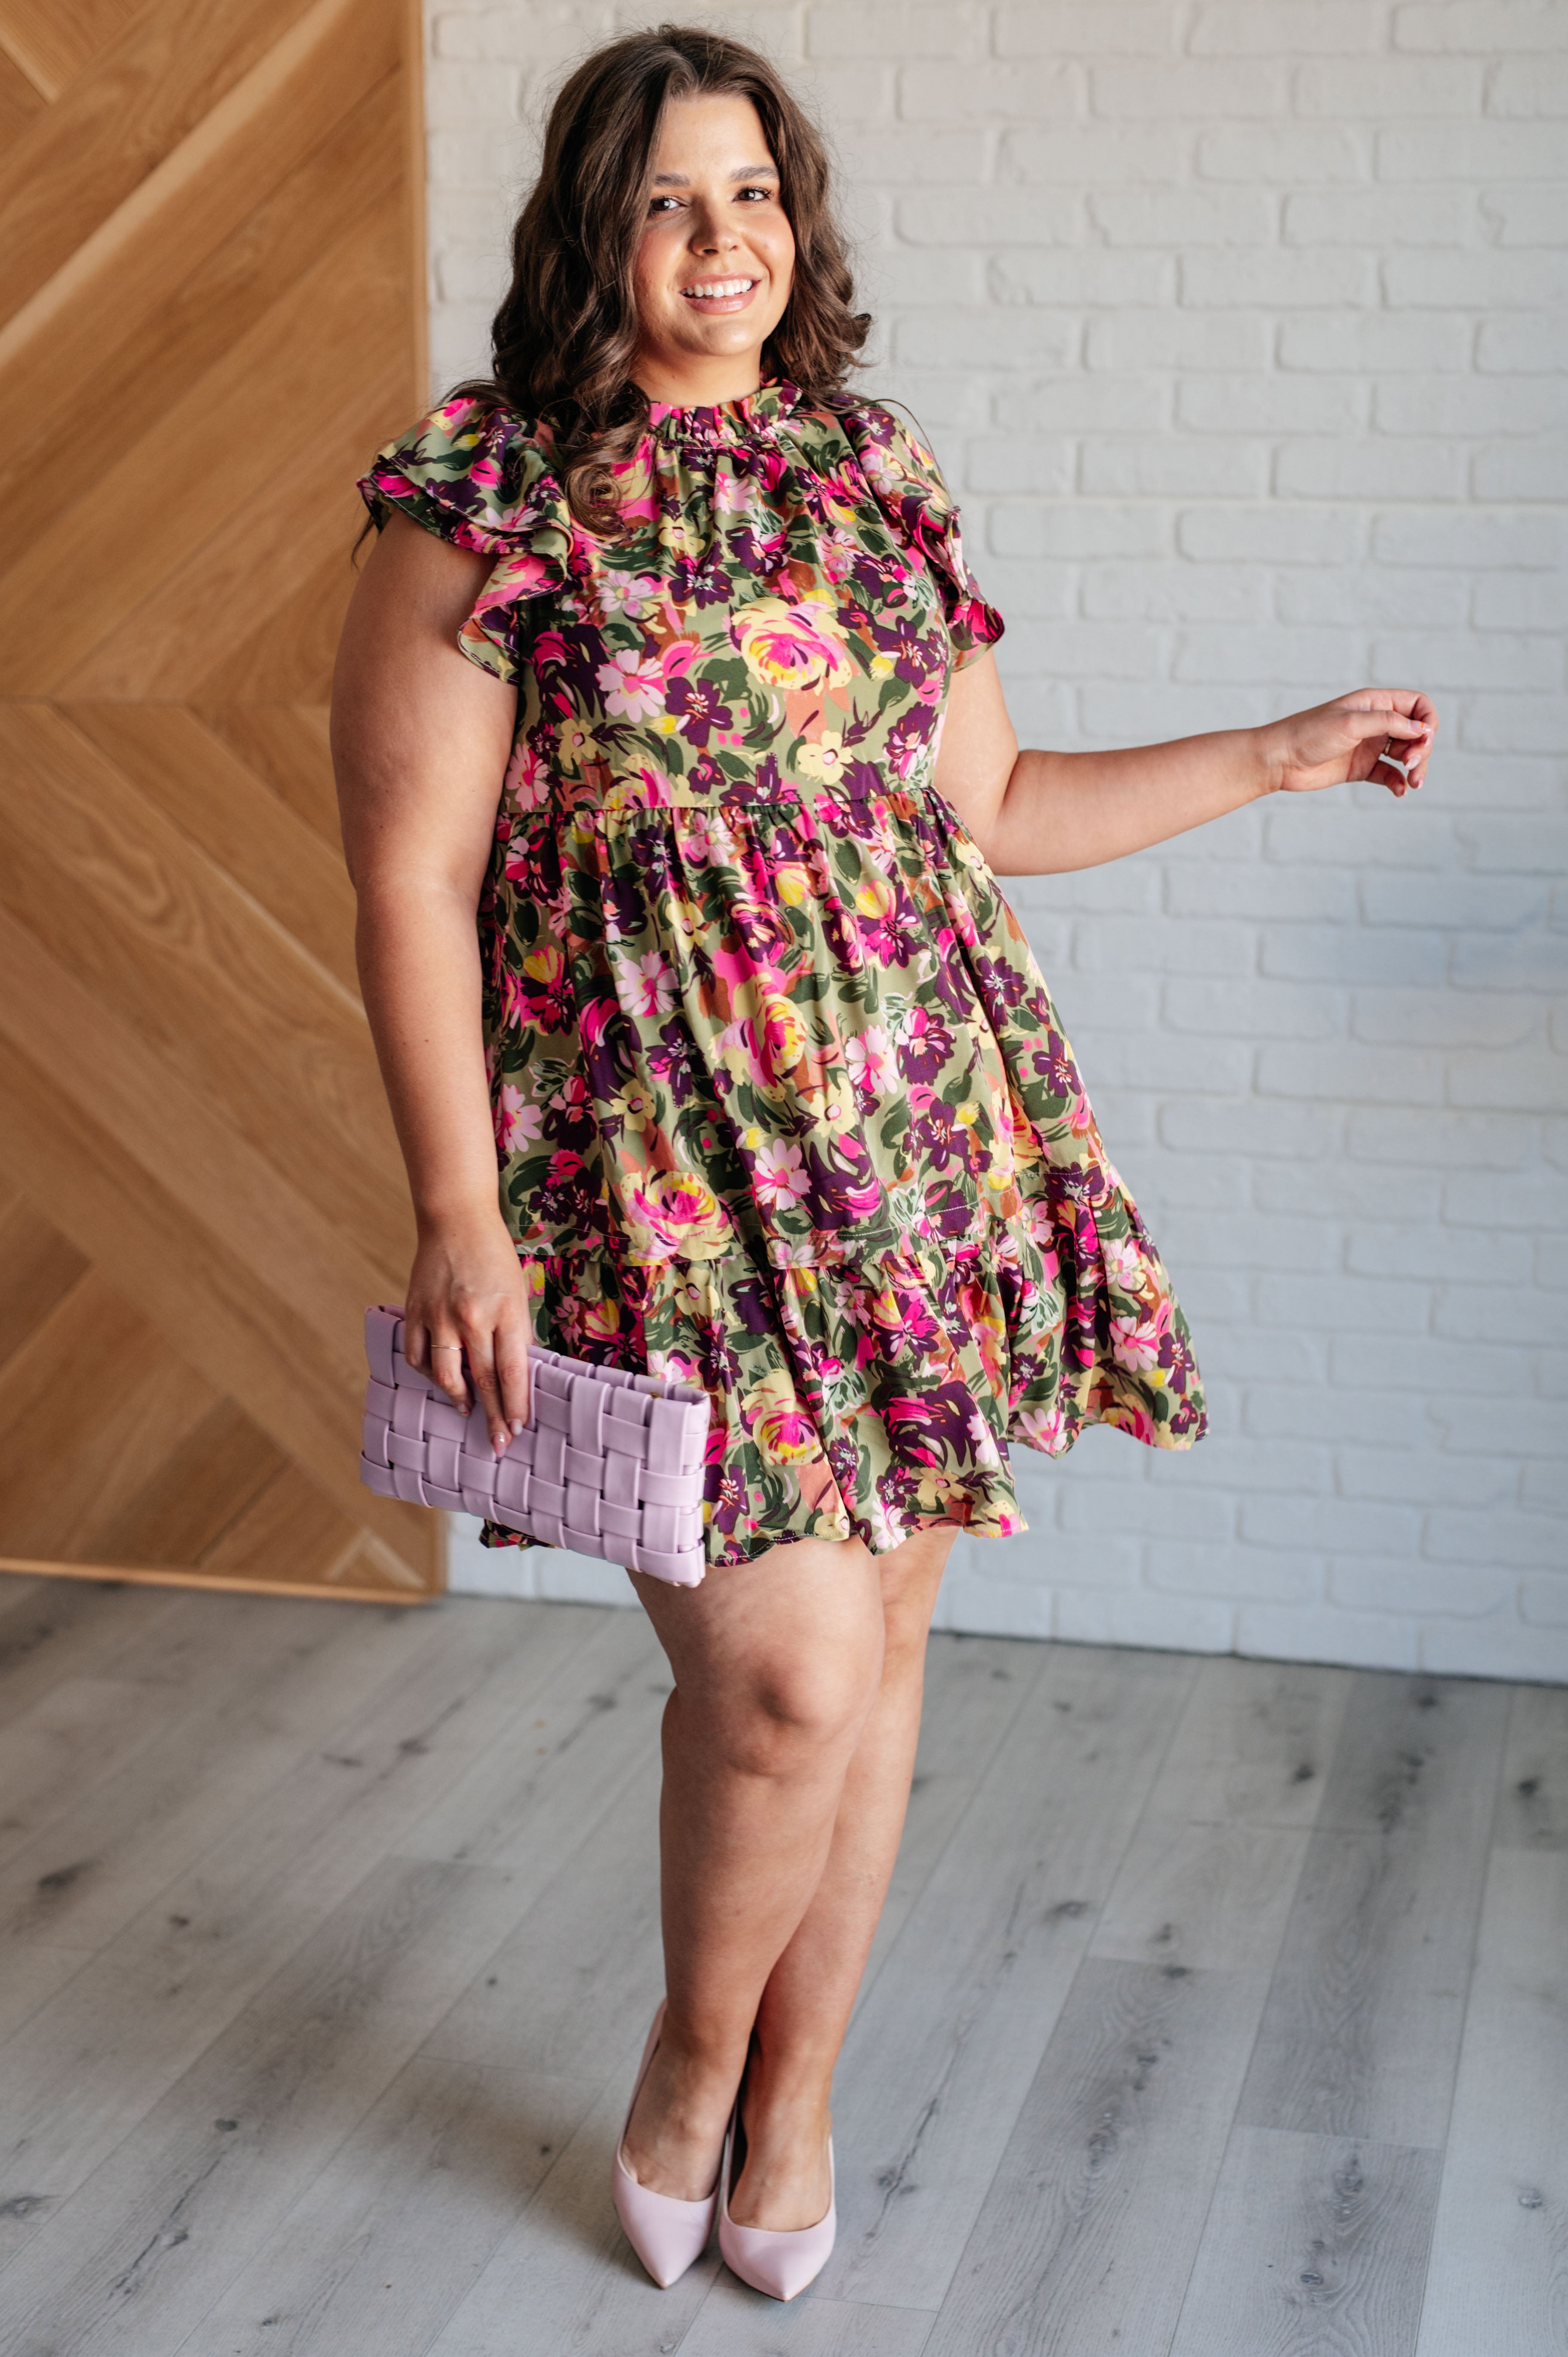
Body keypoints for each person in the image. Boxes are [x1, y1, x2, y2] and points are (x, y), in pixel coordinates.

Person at [331, 21, 1434, 2305]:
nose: (719, 240)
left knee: (893, 1631)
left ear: (798, 221)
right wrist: (457, 1210)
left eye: (752, 192)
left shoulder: (870, 468)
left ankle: (801, 2093)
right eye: (666, 200)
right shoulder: (485, 495)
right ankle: (690, 2061)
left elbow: (994, 808)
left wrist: (1279, 752)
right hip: (651, 1169)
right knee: (787, 1679)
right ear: (589, 233)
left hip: (920, 1139)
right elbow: (410, 878)